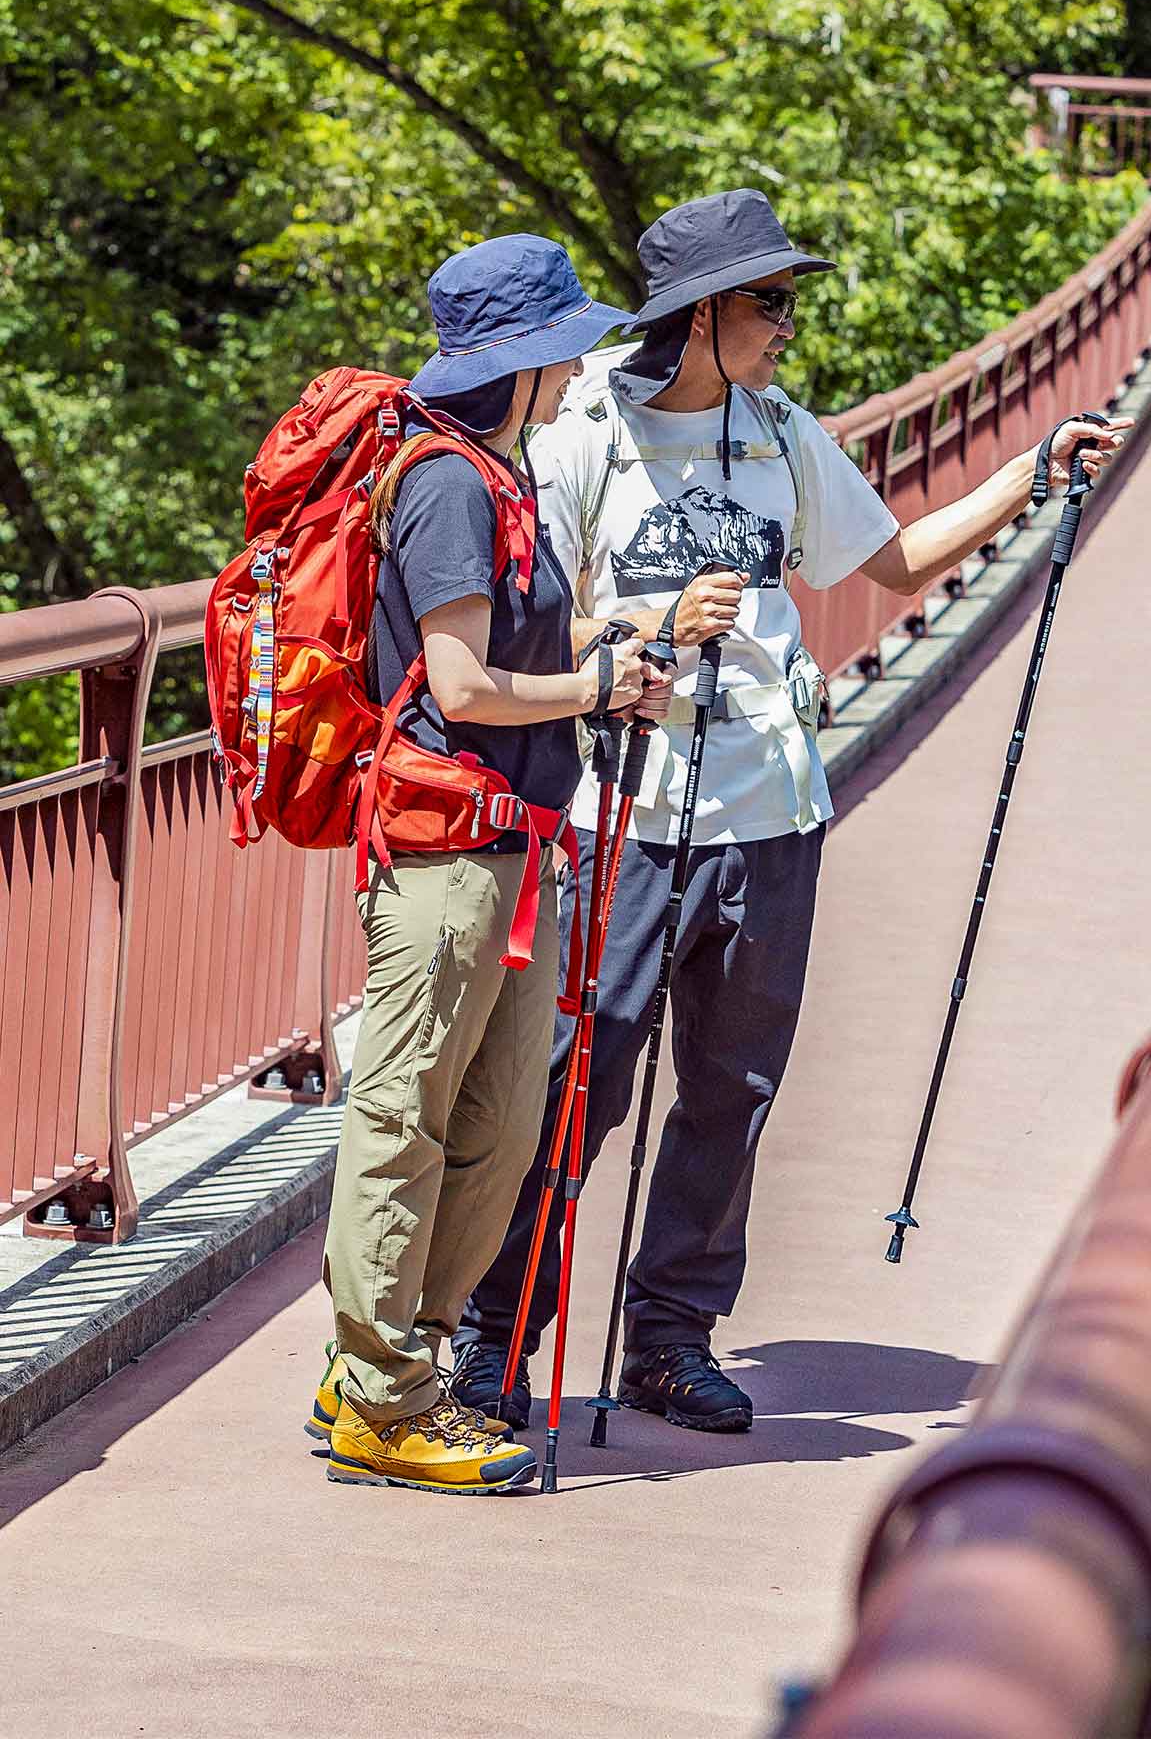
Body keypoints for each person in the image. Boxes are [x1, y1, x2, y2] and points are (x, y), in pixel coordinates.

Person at [451, 190, 1128, 1435]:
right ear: (702, 313)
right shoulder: (584, 428)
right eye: (771, 303)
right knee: (574, 1081)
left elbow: (893, 560)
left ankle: (670, 1337)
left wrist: (1033, 477)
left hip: (772, 808)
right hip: (625, 813)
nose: (789, 325)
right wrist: (648, 625)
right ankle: (494, 1340)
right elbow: (524, 622)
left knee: (732, 1086)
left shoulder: (780, 432)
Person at [309, 235, 669, 1494]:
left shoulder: (501, 472)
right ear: (515, 365)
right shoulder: (449, 485)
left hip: (520, 853)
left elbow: (516, 630)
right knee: (404, 1117)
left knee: (505, 1123)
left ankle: (395, 1353)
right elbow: (460, 683)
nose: (580, 367)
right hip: (445, 860)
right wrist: (595, 682)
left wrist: (632, 630)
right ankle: (384, 1396)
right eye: (564, 347)